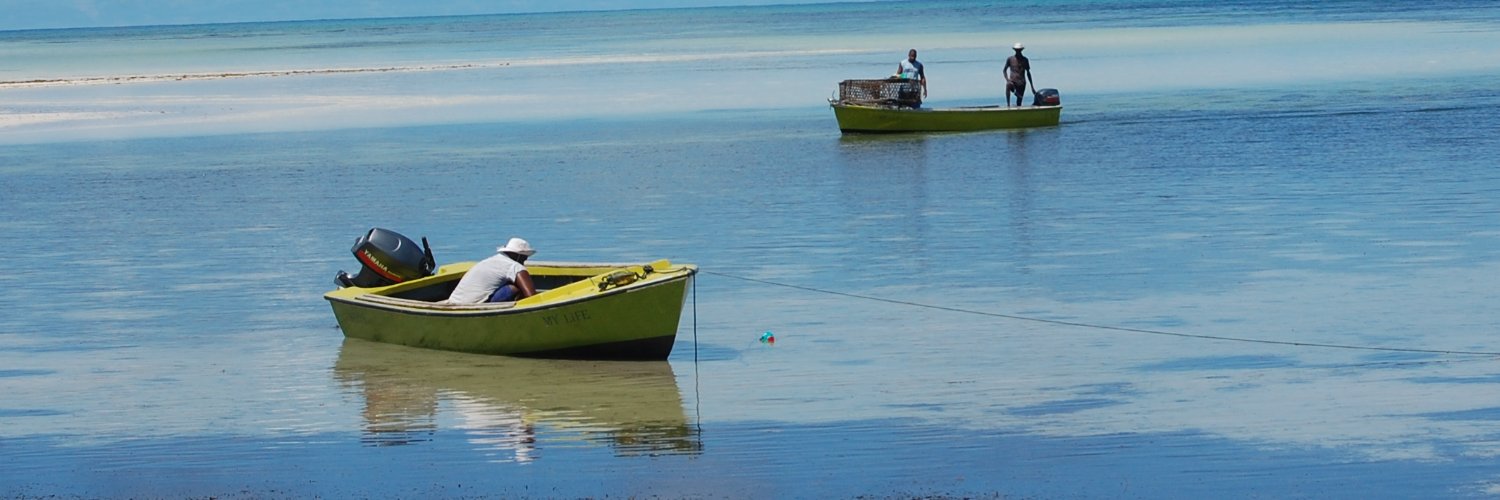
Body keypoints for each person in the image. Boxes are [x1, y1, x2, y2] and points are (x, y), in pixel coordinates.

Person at [446, 237, 537, 303]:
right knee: (516, 287)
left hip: (454, 302)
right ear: (519, 255)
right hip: (473, 306)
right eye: (524, 258)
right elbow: (531, 296)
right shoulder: (514, 266)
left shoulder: (490, 261)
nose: (524, 262)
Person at [1004, 42, 1035, 107]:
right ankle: (1008, 105)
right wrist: (1007, 80)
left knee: (1019, 102)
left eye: (1019, 50)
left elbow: (1028, 73)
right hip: (1013, 81)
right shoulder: (1010, 59)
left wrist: (1032, 86)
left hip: (1021, 83)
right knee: (1008, 85)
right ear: (1015, 50)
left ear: (1021, 50)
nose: (1018, 51)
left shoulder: (1025, 60)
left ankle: (1018, 111)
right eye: (1017, 50)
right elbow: (1004, 70)